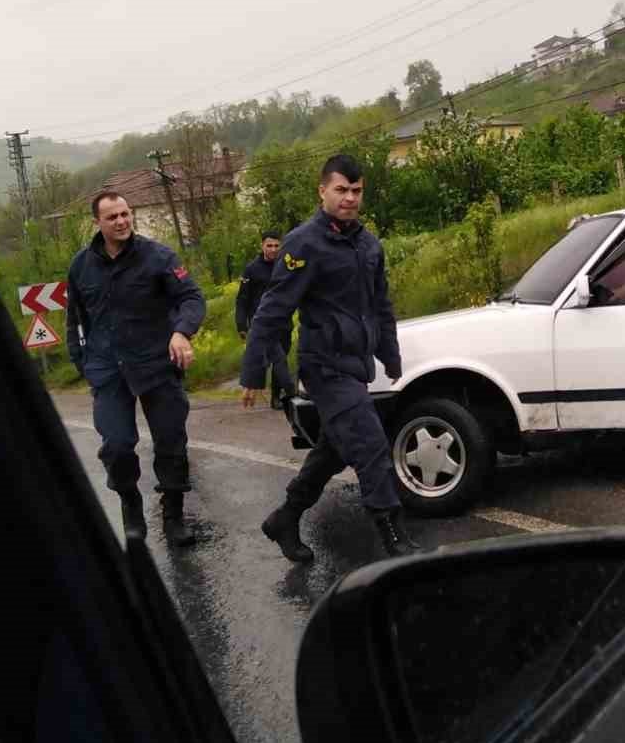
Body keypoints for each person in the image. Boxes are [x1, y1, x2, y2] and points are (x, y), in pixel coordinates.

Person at [241, 154, 419, 564]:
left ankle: (285, 518)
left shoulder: (368, 244)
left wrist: (390, 357)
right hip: (324, 366)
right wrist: (253, 370)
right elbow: (273, 308)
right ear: (322, 191)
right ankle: (395, 540)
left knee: (334, 449)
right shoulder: (304, 243)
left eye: (356, 191)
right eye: (341, 190)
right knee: (371, 443)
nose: (350, 198)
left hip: (356, 366)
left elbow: (381, 306)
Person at [66, 191, 206, 546]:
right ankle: (131, 506)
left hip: (157, 364)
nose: (122, 221)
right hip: (108, 370)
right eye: (112, 217)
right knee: (116, 445)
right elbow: (75, 320)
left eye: (126, 214)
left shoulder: (158, 257)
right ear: (97, 222)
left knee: (171, 442)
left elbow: (191, 297)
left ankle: (173, 516)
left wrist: (181, 332)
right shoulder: (81, 266)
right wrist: (82, 362)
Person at [235, 230, 295, 409]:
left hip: (284, 322)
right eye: (269, 245)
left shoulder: (286, 265)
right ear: (262, 246)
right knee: (279, 359)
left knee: (280, 357)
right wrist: (241, 324)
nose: (273, 249)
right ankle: (290, 393)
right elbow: (242, 299)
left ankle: (277, 396)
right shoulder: (252, 269)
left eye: (277, 245)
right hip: (261, 322)